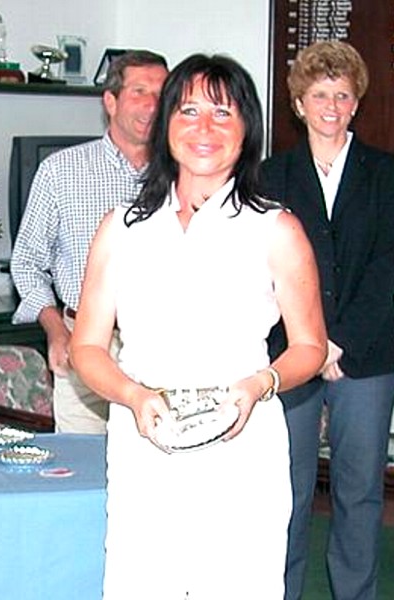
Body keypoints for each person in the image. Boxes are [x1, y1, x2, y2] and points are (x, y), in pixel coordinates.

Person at [69, 54, 327, 598]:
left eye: (222, 113)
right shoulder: (122, 228)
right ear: (165, 125)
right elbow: (86, 347)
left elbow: (309, 345)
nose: (204, 128)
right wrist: (133, 396)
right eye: (188, 111)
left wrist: (261, 384)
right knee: (141, 585)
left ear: (246, 129)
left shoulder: (276, 228)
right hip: (144, 440)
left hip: (242, 441)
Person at [259, 40, 394, 600]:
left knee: (358, 491)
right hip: (290, 355)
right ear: (299, 104)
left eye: (342, 95)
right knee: (284, 492)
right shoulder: (270, 176)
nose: (331, 107)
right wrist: (310, 342)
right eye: (319, 95)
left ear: (356, 103)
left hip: (366, 356)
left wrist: (339, 342)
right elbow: (264, 269)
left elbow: (389, 267)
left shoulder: (386, 174)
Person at [10, 49, 168, 434]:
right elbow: (27, 262)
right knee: (83, 461)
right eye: (139, 92)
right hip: (83, 342)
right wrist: (56, 330)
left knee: (158, 459)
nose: (151, 105)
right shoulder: (61, 170)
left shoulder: (184, 173)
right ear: (110, 101)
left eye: (161, 94)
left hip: (160, 347)